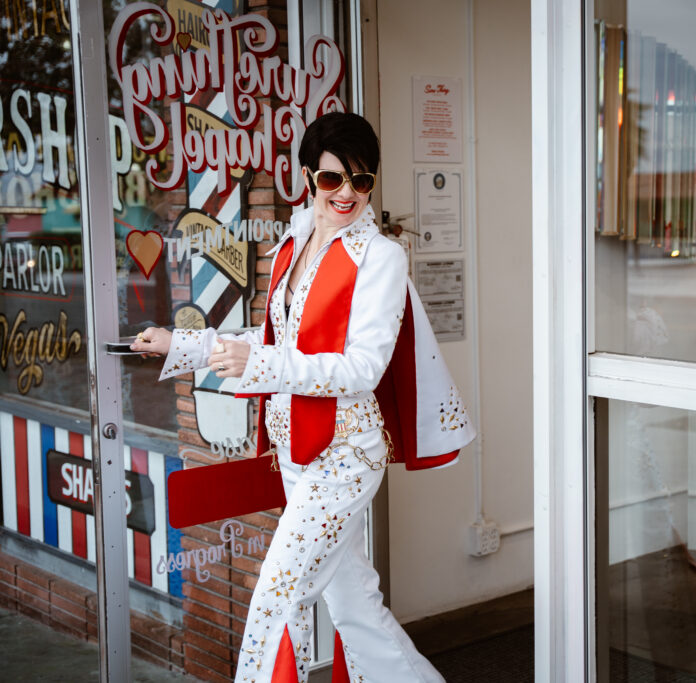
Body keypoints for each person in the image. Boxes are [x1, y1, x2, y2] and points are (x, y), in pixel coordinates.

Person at [133, 112, 474, 683]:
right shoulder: (292, 243)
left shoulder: (381, 257)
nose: (347, 195)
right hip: (296, 453)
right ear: (308, 177)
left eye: (361, 182)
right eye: (332, 180)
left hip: (345, 456)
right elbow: (268, 339)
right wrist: (181, 344)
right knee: (354, 606)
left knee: (276, 602)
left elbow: (364, 368)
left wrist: (261, 364)